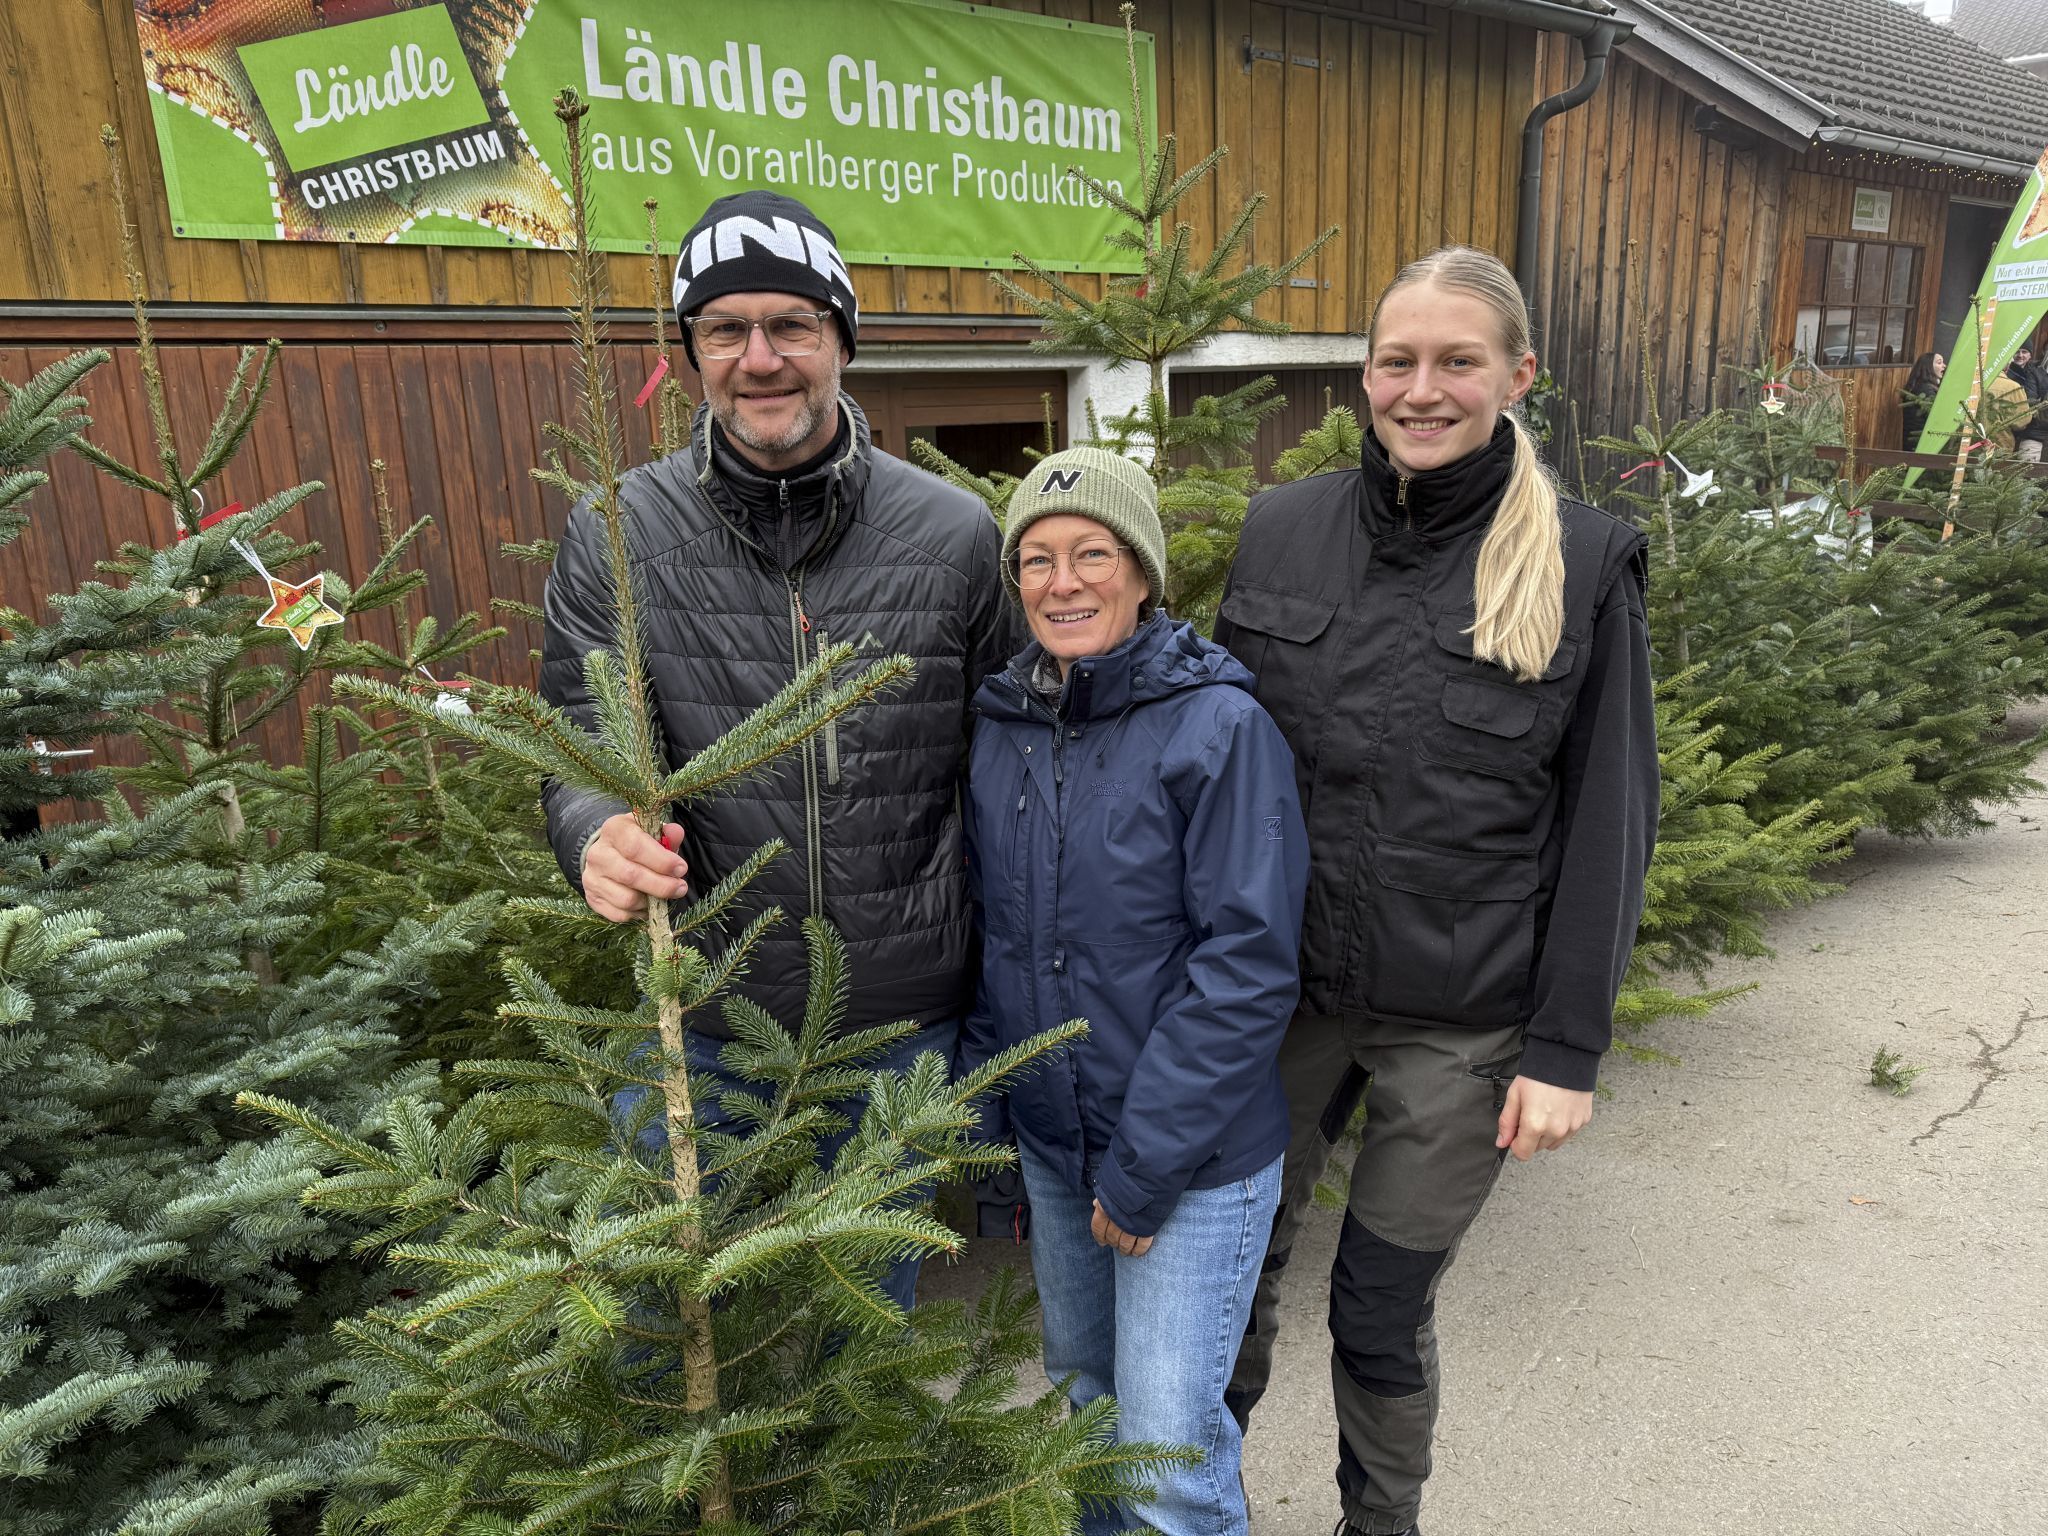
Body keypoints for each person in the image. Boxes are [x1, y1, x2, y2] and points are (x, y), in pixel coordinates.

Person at [1213, 246, 1658, 1536]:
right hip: (1281, 999)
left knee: (1376, 1303)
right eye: (1395, 361)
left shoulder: (1579, 560)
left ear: (1515, 374)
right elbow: (1209, 763)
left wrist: (1566, 1050)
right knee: (1226, 1280)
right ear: (1363, 376)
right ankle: (1196, 1506)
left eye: (1456, 361)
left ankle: (1380, 1522)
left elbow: (1606, 823)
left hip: (1459, 1024)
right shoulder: (1278, 528)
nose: (1422, 388)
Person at [539, 189, 1013, 1309]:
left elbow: (1006, 772)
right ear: (692, 353)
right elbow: (576, 745)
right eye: (725, 329)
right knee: (677, 1336)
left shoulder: (951, 536)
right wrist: (590, 835)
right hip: (703, 1017)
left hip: (898, 1022)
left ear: (842, 340)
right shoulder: (619, 530)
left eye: (791, 325)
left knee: (862, 1324)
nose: (761, 358)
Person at [959, 447, 1309, 1536]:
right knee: (1087, 1410)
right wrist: (992, 1134)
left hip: (1188, 1161)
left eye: (1090, 554)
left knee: (1164, 1454)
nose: (1061, 582)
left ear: (1142, 572)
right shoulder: (1002, 729)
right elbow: (994, 943)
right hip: (1060, 1148)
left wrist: (1144, 1169)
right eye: (1036, 559)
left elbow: (1244, 967)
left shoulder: (1217, 727)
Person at [2004, 344, 2048, 461]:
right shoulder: (2035, 372)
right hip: (2034, 435)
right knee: (2026, 473)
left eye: (2024, 352)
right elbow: (2030, 403)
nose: (2020, 355)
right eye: (2018, 352)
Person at [1900, 350, 1943, 451]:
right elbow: (1936, 418)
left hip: (1913, 442)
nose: (1944, 366)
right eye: (1939, 362)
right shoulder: (1925, 390)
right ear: (1928, 367)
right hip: (1922, 443)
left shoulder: (1918, 386)